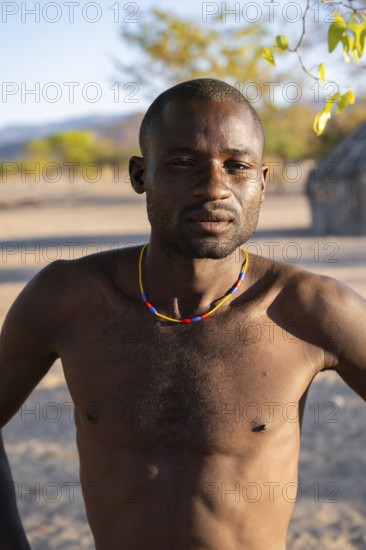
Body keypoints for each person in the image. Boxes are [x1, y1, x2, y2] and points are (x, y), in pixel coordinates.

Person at [0, 78, 365, 550]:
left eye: (237, 166)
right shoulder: (67, 299)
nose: (214, 188)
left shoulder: (309, 308)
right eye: (183, 164)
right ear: (139, 175)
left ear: (263, 182)